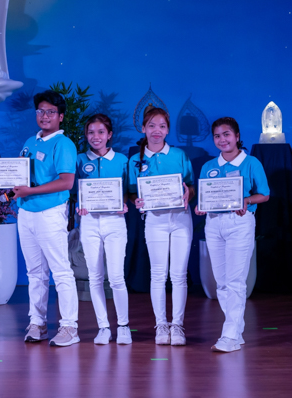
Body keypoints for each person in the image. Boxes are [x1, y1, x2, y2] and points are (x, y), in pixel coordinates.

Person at [195, 117, 269, 353]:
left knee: (236, 282)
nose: (222, 139)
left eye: (226, 134)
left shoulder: (251, 162)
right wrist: (200, 206)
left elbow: (264, 195)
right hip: (214, 224)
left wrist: (246, 200)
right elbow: (205, 197)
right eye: (217, 136)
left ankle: (229, 335)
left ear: (237, 136)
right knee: (222, 283)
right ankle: (236, 331)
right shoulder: (208, 167)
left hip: (240, 222)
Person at [14, 90, 79, 347]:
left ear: (60, 116)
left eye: (50, 112)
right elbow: (20, 175)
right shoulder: (31, 141)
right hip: (26, 212)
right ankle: (38, 323)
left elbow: (66, 181)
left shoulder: (64, 144)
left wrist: (29, 191)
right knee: (35, 273)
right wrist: (7, 189)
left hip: (50, 213)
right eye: (40, 111)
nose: (44, 116)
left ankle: (69, 327)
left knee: (61, 270)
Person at [128, 107, 194, 346]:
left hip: (180, 219)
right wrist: (135, 200)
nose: (157, 131)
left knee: (178, 276)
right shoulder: (135, 159)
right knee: (158, 275)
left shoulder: (179, 155)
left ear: (168, 130)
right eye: (152, 126)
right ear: (143, 128)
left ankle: (177, 325)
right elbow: (130, 192)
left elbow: (191, 186)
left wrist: (189, 193)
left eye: (162, 126)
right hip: (154, 221)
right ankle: (161, 325)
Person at [76, 114, 131, 345]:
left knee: (116, 277)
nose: (95, 137)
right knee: (95, 277)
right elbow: (74, 191)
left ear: (109, 134)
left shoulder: (122, 160)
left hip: (115, 222)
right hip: (89, 222)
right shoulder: (79, 160)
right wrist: (79, 206)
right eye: (91, 132)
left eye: (100, 132)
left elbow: (128, 189)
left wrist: (125, 203)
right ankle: (103, 327)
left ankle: (123, 326)